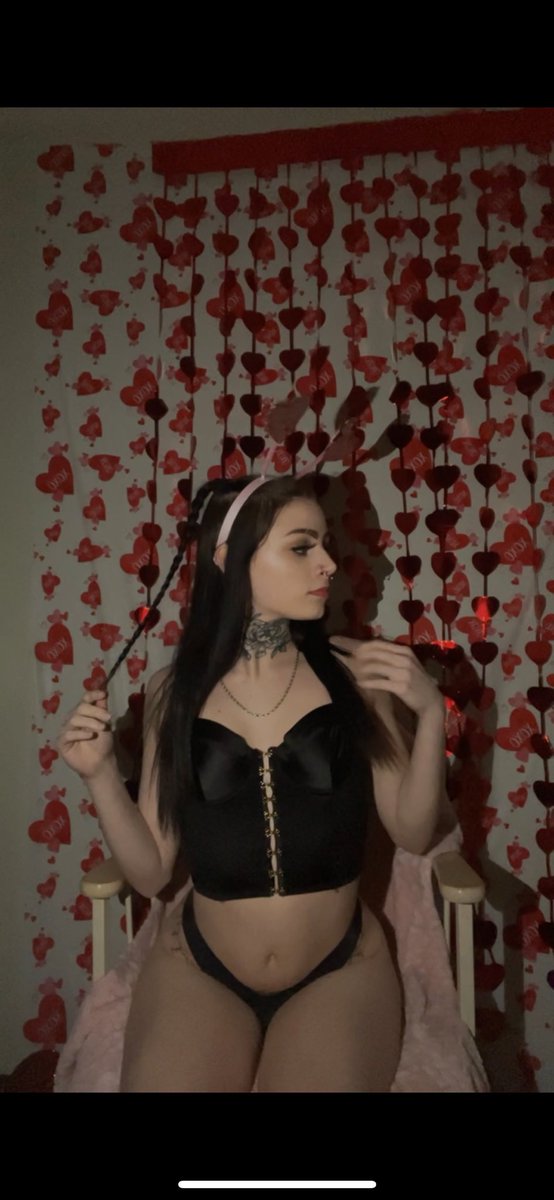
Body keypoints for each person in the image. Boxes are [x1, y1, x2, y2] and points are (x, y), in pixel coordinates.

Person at [57, 471, 446, 1092]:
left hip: (339, 969)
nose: (327, 564)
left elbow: (414, 831)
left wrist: (429, 715)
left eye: (325, 545)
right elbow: (152, 873)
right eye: (301, 546)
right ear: (228, 559)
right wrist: (100, 775)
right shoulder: (172, 694)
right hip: (200, 969)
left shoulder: (356, 676)